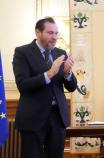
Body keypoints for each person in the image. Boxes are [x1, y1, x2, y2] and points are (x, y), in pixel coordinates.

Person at [12, 17, 77, 158]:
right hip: (33, 118)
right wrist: (49, 74)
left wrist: (67, 73)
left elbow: (72, 87)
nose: (54, 37)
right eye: (50, 33)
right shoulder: (22, 52)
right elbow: (22, 85)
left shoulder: (61, 53)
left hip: (57, 117)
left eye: (56, 33)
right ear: (38, 33)